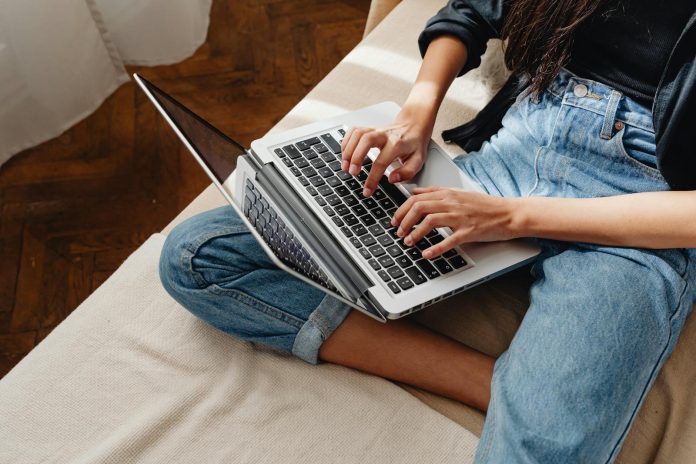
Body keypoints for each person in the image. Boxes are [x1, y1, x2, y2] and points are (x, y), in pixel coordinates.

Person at [159, 1, 696, 462]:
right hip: (515, 149)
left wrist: (510, 218)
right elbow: (472, 11)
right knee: (199, 256)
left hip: (640, 211)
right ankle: (499, 389)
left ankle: (534, 406)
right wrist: (415, 116)